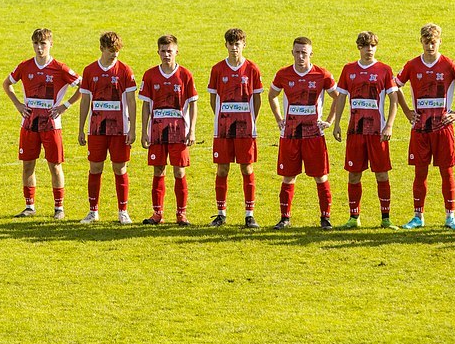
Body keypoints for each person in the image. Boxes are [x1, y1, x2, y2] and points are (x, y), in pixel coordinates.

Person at [395, 23, 455, 230]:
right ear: (421, 42)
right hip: (420, 129)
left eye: (433, 42)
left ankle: (450, 217)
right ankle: (418, 217)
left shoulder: (448, 64)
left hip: (443, 129)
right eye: (426, 42)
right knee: (420, 173)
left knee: (446, 173)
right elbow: (395, 86)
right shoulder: (412, 65)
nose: (430, 46)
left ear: (440, 42)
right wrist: (407, 111)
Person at [2, 28, 81, 220]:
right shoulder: (25, 66)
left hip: (52, 126)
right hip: (29, 124)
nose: (39, 48)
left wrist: (65, 106)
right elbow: (7, 84)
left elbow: (83, 86)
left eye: (43, 44)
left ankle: (59, 208)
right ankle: (29, 206)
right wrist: (18, 104)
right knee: (28, 165)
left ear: (51, 44)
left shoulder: (60, 68)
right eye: (36, 44)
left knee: (55, 166)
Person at [268, 36, 339, 229]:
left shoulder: (321, 74)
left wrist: (329, 121)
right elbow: (272, 95)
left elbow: (337, 97)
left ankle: (325, 218)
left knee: (321, 176)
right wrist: (279, 118)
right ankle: (285, 218)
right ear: (292, 52)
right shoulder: (283, 74)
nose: (300, 56)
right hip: (290, 135)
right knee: (288, 176)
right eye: (297, 52)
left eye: (304, 53)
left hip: (314, 135)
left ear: (311, 54)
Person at [331, 31, 400, 229]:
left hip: (378, 133)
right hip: (355, 132)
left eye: (373, 46)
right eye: (366, 46)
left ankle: (386, 218)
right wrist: (337, 123)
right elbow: (341, 97)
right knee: (354, 175)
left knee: (382, 175)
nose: (369, 49)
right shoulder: (348, 69)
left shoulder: (384, 70)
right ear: (359, 47)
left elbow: (394, 100)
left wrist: (389, 125)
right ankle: (354, 217)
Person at [77, 32, 138, 225]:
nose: (114, 54)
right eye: (111, 50)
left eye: (117, 51)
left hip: (120, 129)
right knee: (95, 167)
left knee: (120, 168)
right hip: (96, 129)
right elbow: (85, 101)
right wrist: (81, 128)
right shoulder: (89, 71)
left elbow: (131, 101)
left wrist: (133, 129)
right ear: (102, 49)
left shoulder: (125, 71)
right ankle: (93, 211)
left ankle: (123, 211)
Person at [138, 34, 198, 226]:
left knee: (179, 171)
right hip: (156, 132)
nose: (166, 54)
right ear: (158, 52)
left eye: (169, 51)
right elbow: (146, 105)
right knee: (158, 170)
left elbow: (193, 104)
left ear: (176, 51)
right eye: (163, 51)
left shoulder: (185, 75)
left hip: (179, 132)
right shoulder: (150, 75)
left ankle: (181, 214)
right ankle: (157, 214)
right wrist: (144, 131)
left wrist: (192, 130)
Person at [207, 28, 263, 229]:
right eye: (231, 44)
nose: (234, 47)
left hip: (245, 129)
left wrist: (250, 120)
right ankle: (221, 213)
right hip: (223, 129)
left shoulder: (252, 69)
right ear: (226, 45)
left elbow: (257, 99)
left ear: (244, 45)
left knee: (246, 168)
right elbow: (213, 99)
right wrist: (222, 118)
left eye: (237, 44)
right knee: (222, 169)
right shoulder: (217, 69)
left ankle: (249, 214)